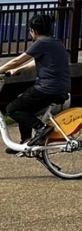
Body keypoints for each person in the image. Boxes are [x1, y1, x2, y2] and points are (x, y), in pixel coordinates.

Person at [0, 15, 72, 153]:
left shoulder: (41, 43)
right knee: (23, 104)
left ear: (33, 31)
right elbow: (37, 61)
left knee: (12, 109)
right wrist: (18, 70)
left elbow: (17, 60)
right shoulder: (56, 42)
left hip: (47, 88)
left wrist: (3, 69)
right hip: (61, 87)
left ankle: (42, 129)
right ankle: (27, 142)